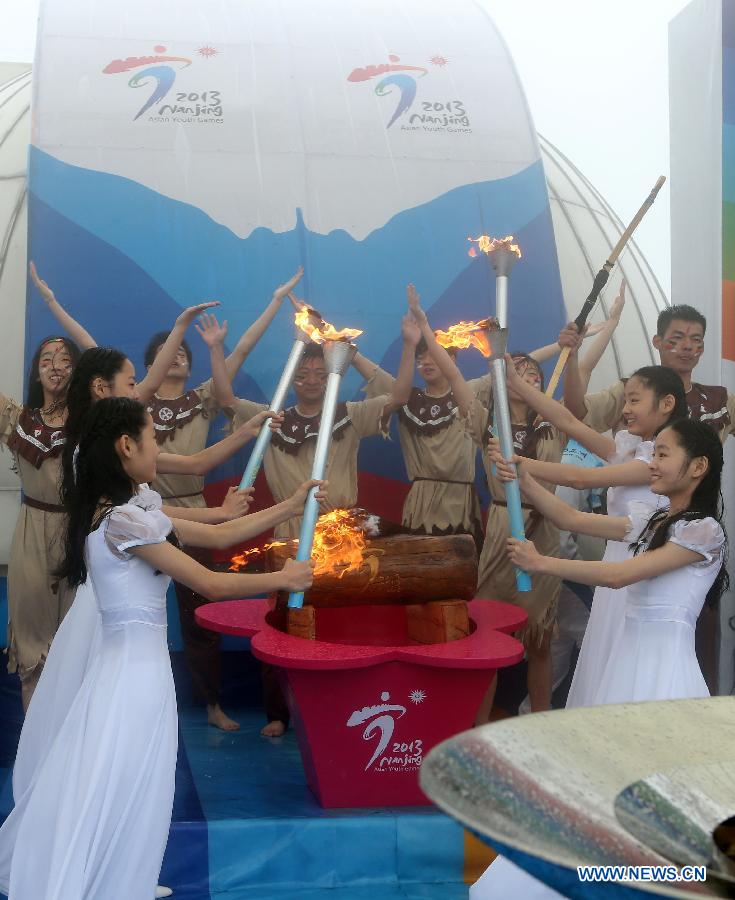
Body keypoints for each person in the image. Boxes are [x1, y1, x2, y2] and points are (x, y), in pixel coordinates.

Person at [0, 397, 319, 900]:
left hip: (141, 678)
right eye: (153, 437)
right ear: (127, 446)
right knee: (120, 784)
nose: (159, 447)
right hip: (130, 681)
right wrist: (283, 577)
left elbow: (222, 531)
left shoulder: (134, 511)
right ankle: (102, 883)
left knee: (133, 786)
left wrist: (292, 505)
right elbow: (208, 583)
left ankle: (120, 878)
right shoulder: (122, 523)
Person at [473, 418, 728, 900]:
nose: (652, 462)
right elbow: (571, 521)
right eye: (653, 454)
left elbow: (620, 576)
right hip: (625, 663)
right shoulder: (651, 521)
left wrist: (542, 563)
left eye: (664, 454)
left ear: (697, 467)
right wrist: (521, 478)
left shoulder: (704, 530)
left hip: (664, 674)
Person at [492, 360, 688, 707]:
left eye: (634, 400)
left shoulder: (660, 461)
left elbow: (582, 479)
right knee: (604, 658)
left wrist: (522, 464)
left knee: (625, 662)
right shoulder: (630, 446)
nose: (625, 410)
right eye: (625, 401)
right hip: (616, 557)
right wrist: (516, 384)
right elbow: (567, 420)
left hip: (640, 571)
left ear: (667, 403)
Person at [406, 290, 566, 714]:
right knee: (489, 632)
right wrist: (425, 326)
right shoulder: (488, 424)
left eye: (534, 373)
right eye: (518, 371)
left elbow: (579, 371)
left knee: (540, 638)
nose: (527, 377)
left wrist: (580, 341)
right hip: (499, 531)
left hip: (544, 530)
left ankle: (542, 721)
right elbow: (457, 382)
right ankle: (478, 724)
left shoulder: (555, 424)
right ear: (505, 380)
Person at [563, 302, 735, 442]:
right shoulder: (629, 391)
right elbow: (577, 411)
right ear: (657, 342)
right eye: (678, 338)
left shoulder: (720, 401)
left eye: (696, 339)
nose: (688, 346)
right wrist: (571, 358)